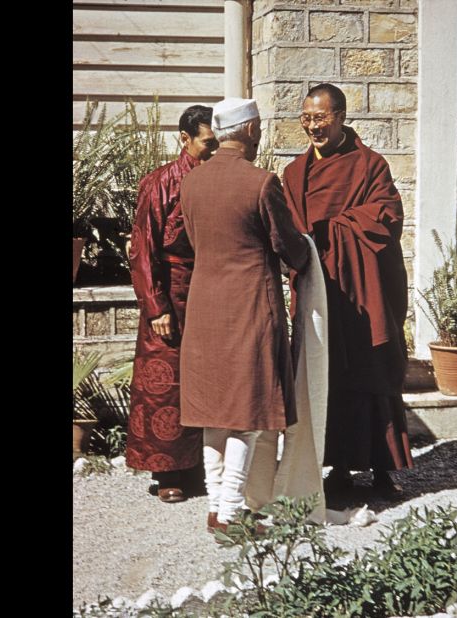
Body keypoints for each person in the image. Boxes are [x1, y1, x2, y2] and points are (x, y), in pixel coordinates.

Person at [178, 97, 311, 535]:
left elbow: (195, 242)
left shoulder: (191, 182)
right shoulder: (261, 182)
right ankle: (232, 511)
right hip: (250, 305)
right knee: (249, 413)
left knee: (214, 411)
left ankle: (217, 505)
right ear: (251, 131)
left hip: (204, 307)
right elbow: (289, 248)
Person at [281, 83, 414, 501]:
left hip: (365, 289)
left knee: (373, 372)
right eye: (306, 118)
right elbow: (287, 231)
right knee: (328, 376)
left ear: (340, 116)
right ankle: (337, 468)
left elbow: (388, 214)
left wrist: (332, 230)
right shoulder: (293, 173)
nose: (312, 127)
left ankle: (382, 470)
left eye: (320, 118)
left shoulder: (370, 165)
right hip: (321, 291)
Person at [124, 105, 219, 503]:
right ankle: (167, 473)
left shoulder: (217, 179)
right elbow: (142, 248)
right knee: (165, 384)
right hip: (168, 291)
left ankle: (200, 466)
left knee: (205, 379)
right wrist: (155, 306)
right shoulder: (160, 182)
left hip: (210, 290)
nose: (213, 150)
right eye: (207, 142)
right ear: (185, 139)